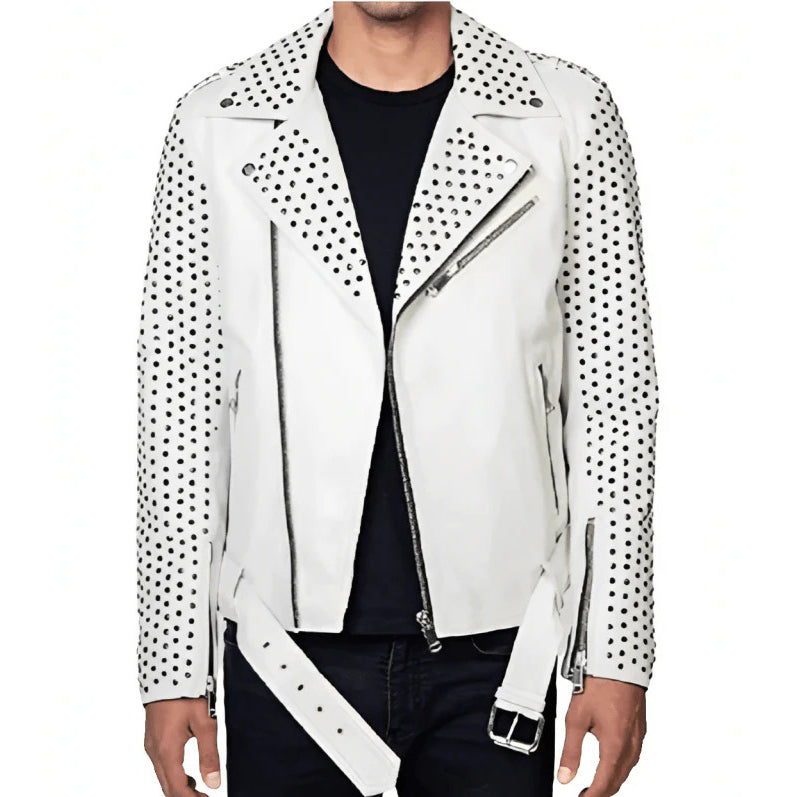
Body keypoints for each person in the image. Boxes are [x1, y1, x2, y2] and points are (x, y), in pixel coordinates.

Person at [137, 3, 657, 796]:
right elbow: (178, 411)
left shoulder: (565, 116)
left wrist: (614, 652)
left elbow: (614, 403)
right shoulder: (218, 123)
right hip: (283, 657)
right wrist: (173, 664)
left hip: (501, 659)